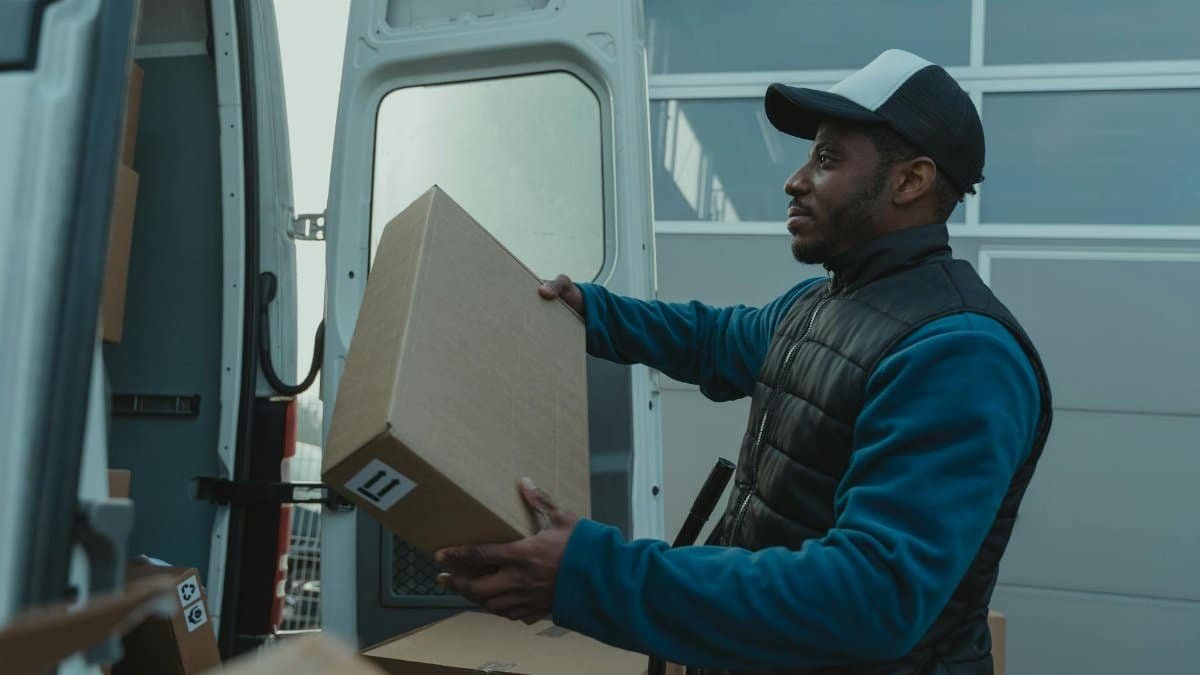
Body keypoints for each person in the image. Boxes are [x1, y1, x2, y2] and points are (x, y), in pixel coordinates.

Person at [435, 49, 1052, 675]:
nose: (796, 180)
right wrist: (590, 311)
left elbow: (869, 599)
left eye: (827, 159)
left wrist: (596, 573)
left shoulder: (958, 353)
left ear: (910, 181)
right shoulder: (822, 303)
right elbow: (713, 339)